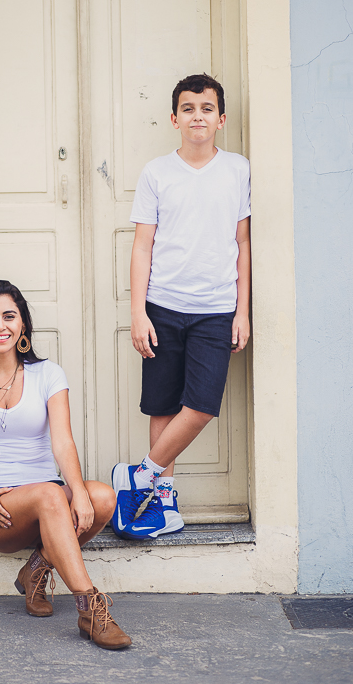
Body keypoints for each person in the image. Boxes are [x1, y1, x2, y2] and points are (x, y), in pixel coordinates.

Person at [0, 279, 131, 650]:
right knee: (50, 495)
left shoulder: (48, 374)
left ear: (22, 323)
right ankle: (90, 609)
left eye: (9, 316)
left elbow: (63, 442)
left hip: (47, 496)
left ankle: (35, 571)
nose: (0, 326)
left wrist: (79, 493)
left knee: (103, 497)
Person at [111, 73, 251, 539]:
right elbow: (142, 246)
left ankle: (140, 476)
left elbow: (243, 243)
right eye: (188, 108)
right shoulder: (157, 173)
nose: (198, 116)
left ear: (221, 119)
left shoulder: (237, 170)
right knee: (163, 404)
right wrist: (138, 313)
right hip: (163, 306)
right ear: (175, 119)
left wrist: (242, 311)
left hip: (216, 308)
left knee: (202, 405)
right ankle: (161, 502)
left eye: (206, 108)